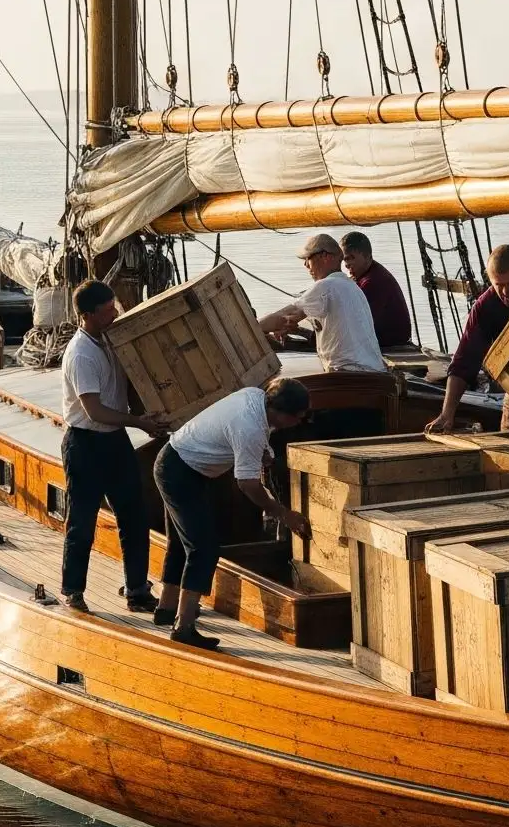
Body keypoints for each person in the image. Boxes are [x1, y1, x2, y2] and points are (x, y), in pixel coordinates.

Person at [153, 378, 313, 650]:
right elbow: (247, 484)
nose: (298, 423)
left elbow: (253, 438)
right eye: (297, 418)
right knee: (203, 549)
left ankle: (167, 608)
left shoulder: (255, 396)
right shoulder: (249, 427)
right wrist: (284, 514)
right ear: (279, 412)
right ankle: (183, 627)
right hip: (179, 473)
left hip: (178, 463)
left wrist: (264, 454)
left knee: (182, 543)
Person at [59, 280, 165, 617]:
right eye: (107, 310)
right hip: (86, 443)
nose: (115, 313)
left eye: (114, 306)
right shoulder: (82, 354)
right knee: (82, 521)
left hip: (115, 441)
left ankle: (137, 590)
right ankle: (72, 591)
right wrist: (141, 423)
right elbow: (95, 411)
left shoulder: (108, 341)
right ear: (87, 315)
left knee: (134, 516)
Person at [424, 244, 509, 434]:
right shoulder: (485, 308)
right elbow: (464, 362)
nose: (506, 292)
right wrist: (446, 414)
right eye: (498, 285)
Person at [259, 234, 387, 372]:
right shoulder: (349, 285)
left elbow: (284, 316)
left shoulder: (327, 285)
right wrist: (290, 325)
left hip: (352, 373)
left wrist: (253, 329)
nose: (306, 265)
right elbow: (292, 317)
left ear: (325, 256)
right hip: (372, 371)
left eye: (308, 258)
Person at [340, 230, 413, 349]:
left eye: (351, 258)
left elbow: (358, 324)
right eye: (345, 260)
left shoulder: (373, 282)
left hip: (390, 344)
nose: (347, 265)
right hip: (386, 339)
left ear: (367, 256)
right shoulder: (367, 273)